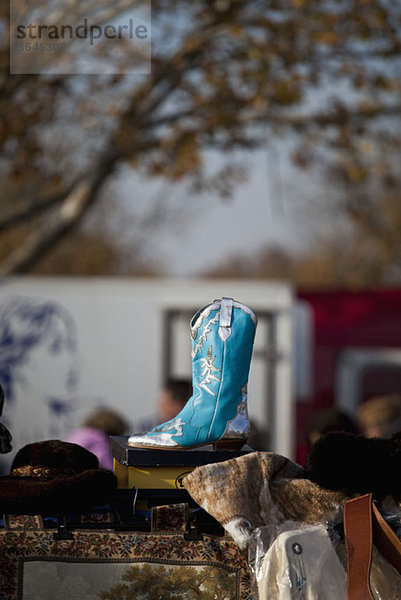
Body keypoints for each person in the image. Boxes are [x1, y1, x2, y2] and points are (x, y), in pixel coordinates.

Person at [0, 296, 79, 460]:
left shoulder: (76, 427)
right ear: (18, 358)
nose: (71, 360)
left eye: (70, 345)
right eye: (55, 347)